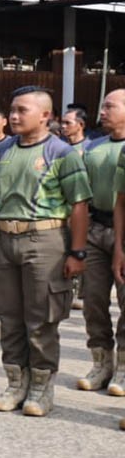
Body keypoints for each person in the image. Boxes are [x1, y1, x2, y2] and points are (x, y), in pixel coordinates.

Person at [0, 87, 90, 417]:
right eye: (11, 109)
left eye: (22, 110)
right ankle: (15, 382)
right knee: (9, 317)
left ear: (45, 115)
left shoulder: (62, 153)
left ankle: (42, 387)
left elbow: (79, 205)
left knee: (42, 318)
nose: (14, 116)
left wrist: (77, 252)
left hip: (45, 241)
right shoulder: (0, 152)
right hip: (4, 240)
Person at [80, 90, 125, 392]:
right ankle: (101, 363)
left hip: (122, 231)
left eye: (110, 105)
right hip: (95, 229)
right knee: (93, 301)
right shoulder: (91, 146)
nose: (103, 110)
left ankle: (123, 367)